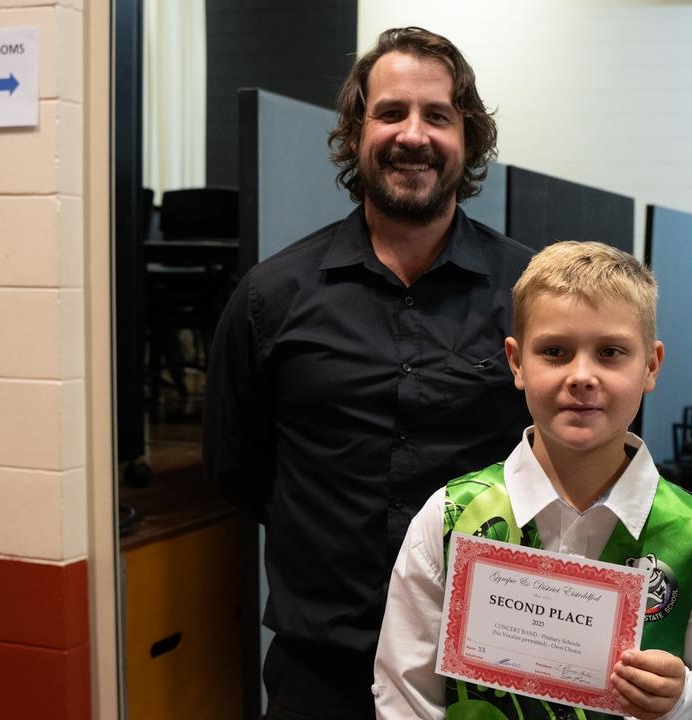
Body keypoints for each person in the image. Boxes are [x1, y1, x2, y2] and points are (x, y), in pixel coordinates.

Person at [203, 27, 533, 720]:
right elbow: (239, 467)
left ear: (467, 138)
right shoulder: (272, 296)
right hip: (321, 657)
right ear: (356, 134)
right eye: (390, 113)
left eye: (437, 116)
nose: (413, 134)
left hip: (484, 655)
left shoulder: (532, 296)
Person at [374, 241, 692, 719]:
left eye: (610, 352)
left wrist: (685, 697)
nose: (581, 376)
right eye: (554, 352)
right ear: (517, 362)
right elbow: (405, 690)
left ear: (651, 364)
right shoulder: (450, 517)